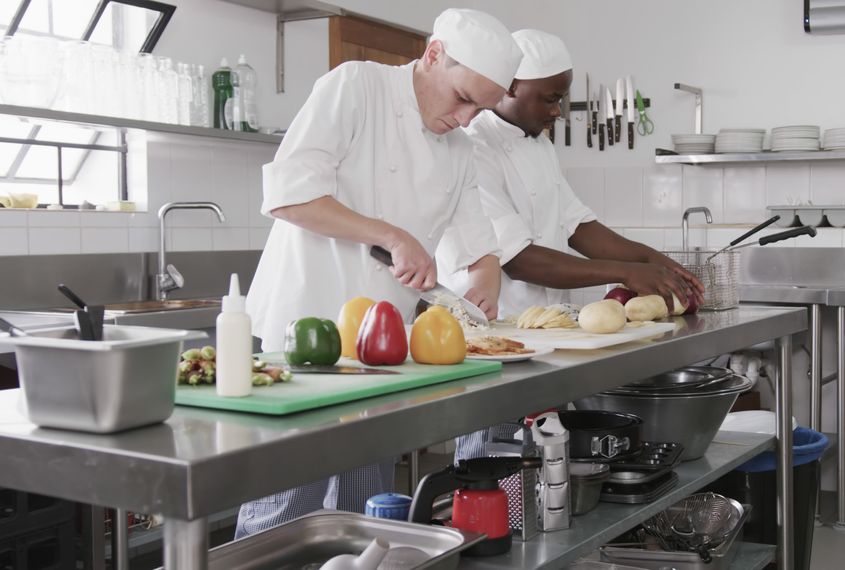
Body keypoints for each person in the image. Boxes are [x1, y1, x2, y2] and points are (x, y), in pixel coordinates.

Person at [237, 8, 522, 538]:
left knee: (362, 512)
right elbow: (288, 196)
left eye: (479, 110)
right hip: (301, 340)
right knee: (283, 514)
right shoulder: (356, 87)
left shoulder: (458, 148)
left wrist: (485, 282)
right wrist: (389, 235)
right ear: (434, 54)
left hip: (377, 356)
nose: (465, 120)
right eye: (463, 98)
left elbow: (479, 245)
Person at [442, 29, 703, 461]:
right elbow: (519, 260)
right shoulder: (474, 146)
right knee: (491, 455)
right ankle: (489, 524)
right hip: (495, 333)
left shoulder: (539, 145)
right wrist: (627, 272)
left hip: (545, 333)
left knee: (544, 452)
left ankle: (537, 520)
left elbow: (580, 227)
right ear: (510, 87)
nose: (559, 111)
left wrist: (660, 264)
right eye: (550, 98)